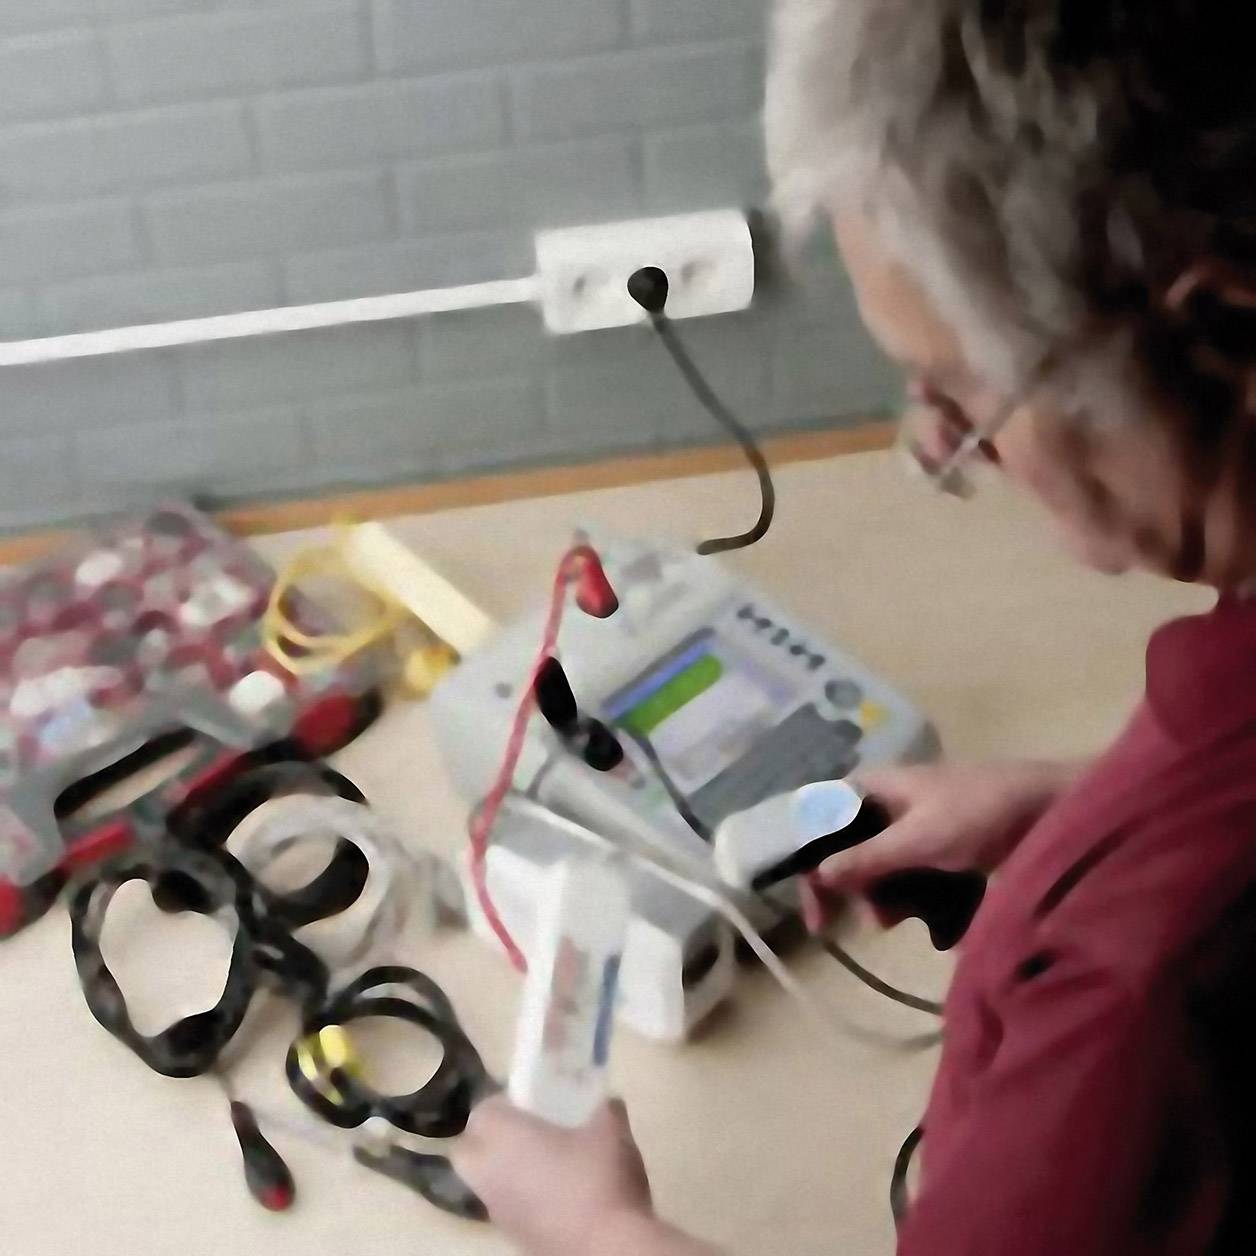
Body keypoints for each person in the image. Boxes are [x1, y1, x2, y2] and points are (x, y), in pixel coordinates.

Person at [454, 1, 1256, 1251]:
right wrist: (1068, 806)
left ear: (1221, 339)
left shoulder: (1129, 986)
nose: (941, 453)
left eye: (963, 400)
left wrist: (593, 1224)